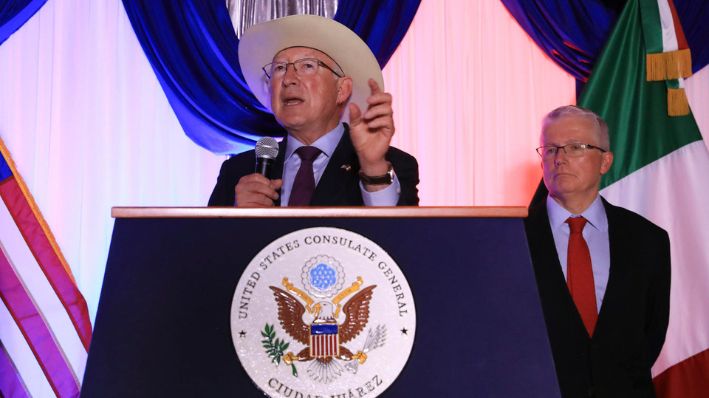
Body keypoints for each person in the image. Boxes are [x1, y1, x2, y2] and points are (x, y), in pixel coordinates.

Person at [524, 105, 670, 397]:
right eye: (551, 149)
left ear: (605, 161)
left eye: (575, 147)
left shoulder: (648, 239)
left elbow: (650, 334)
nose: (560, 158)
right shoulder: (512, 238)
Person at [208, 14, 419, 207]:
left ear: (342, 90)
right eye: (279, 68)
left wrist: (373, 169)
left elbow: (400, 243)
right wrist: (235, 219)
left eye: (307, 66)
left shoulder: (393, 166)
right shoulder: (237, 171)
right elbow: (202, 247)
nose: (288, 79)